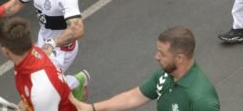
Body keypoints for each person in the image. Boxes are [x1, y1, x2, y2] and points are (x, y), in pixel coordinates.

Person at [75, 26, 219, 111]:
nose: (156, 57)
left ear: (179, 58)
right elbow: (132, 97)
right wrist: (92, 108)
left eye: (162, 54)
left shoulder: (202, 99)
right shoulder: (165, 75)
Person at [0, 18, 77, 111]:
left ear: (5, 50)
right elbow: (46, 50)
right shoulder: (32, 52)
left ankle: (75, 82)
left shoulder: (40, 91)